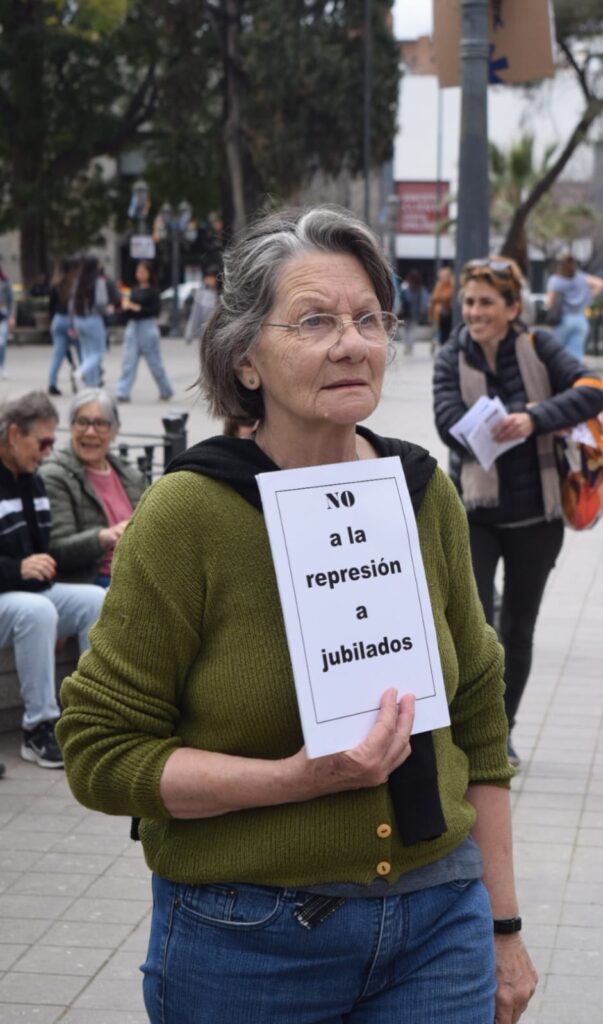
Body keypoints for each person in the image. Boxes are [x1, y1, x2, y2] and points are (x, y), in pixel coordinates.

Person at [57, 206, 537, 1024]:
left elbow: (478, 712)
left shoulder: (423, 494)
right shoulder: (188, 515)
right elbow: (101, 754)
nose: (351, 343)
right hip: (248, 939)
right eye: (314, 320)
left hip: (438, 923)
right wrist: (294, 780)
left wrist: (503, 925)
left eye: (367, 319)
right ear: (245, 357)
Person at [433, 256, 603, 767]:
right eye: (469, 301)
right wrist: (486, 425)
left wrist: (533, 419)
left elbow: (592, 391)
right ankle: (475, 733)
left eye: (487, 302)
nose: (474, 311)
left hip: (538, 516)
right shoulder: (451, 356)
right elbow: (445, 422)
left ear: (513, 307)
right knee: (478, 626)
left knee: (519, 628)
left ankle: (502, 732)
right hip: (477, 512)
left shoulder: (539, 346)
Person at [0, 391, 105, 768]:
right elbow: (25, 566)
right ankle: (39, 727)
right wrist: (17, 569)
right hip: (14, 595)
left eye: (51, 443)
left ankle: (93, 718)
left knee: (95, 600)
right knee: (38, 611)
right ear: (14, 434)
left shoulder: (31, 478)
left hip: (27, 592)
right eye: (42, 441)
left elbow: (44, 554)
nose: (47, 451)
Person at [40, 389, 147, 587]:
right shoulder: (55, 475)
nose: (90, 432)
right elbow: (57, 549)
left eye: (100, 424)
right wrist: (103, 537)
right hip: (93, 579)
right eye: (82, 422)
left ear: (115, 430)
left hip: (137, 573)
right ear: (71, 427)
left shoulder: (129, 474)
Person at [116, 261, 174, 403]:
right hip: (133, 327)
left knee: (155, 362)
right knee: (128, 361)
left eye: (143, 272)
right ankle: (122, 391)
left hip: (147, 328)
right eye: (138, 271)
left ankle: (165, 389)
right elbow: (127, 312)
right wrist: (126, 308)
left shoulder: (153, 291)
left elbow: (155, 311)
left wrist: (138, 308)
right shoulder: (134, 290)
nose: (140, 274)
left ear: (149, 273)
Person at [545, 253, 603, 361]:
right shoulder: (581, 278)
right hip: (580, 318)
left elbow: (550, 302)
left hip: (562, 319)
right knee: (576, 353)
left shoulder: (555, 280)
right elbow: (600, 283)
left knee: (558, 353)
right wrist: (589, 297)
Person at [71, 256, 113, 389]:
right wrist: (108, 310)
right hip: (93, 319)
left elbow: (71, 304)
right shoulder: (98, 281)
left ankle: (91, 384)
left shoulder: (78, 281)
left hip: (79, 319)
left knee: (86, 352)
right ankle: (80, 372)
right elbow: (101, 302)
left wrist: (72, 323)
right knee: (98, 352)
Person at [47, 256, 81, 396]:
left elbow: (51, 306)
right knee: (83, 353)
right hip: (72, 320)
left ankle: (52, 383)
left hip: (58, 319)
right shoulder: (76, 284)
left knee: (58, 355)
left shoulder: (57, 283)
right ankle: (88, 380)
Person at [183, 265, 219, 344]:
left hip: (220, 334)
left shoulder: (223, 294)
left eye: (211, 278)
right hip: (205, 334)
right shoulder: (201, 294)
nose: (208, 280)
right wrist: (189, 334)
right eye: (207, 277)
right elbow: (195, 315)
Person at [399, 268, 429, 354]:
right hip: (415, 313)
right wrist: (422, 312)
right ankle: (410, 346)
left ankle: (406, 346)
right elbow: (424, 303)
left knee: (406, 330)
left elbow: (403, 300)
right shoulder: (421, 289)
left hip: (405, 312)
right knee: (412, 330)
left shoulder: (406, 288)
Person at [428, 265, 455, 348]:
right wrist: (431, 315)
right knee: (440, 333)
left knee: (447, 333)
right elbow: (433, 301)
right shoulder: (438, 286)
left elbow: (450, 297)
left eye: (444, 275)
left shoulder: (452, 285)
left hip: (449, 314)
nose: (442, 277)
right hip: (439, 315)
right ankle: (438, 344)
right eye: (441, 276)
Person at [0, 262, 16, 380]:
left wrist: (12, 316)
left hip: (2, 316)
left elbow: (11, 301)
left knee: (1, 344)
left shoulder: (5, 283)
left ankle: (2, 366)